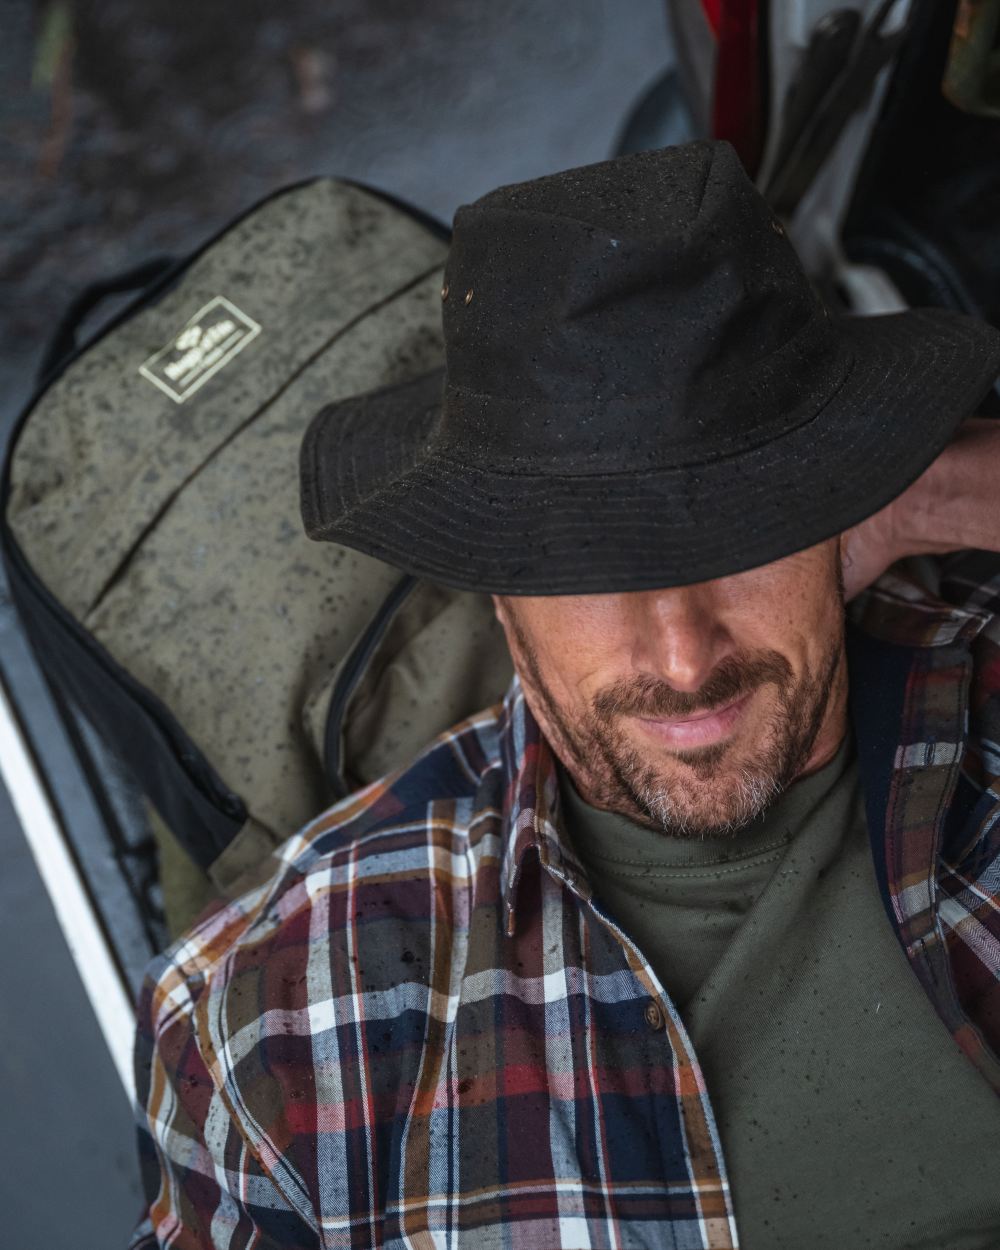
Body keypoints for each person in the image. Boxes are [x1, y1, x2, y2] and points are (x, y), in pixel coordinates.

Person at [130, 142, 1000, 1249]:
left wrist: (923, 492)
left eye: (741, 533)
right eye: (591, 567)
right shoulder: (279, 1019)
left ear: (837, 511)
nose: (685, 657)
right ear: (497, 589)